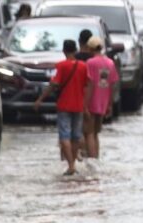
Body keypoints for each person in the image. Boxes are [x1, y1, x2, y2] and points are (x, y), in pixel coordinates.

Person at [34, 39, 88, 175]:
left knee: (64, 136)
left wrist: (40, 99)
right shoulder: (83, 66)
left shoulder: (61, 66)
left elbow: (54, 85)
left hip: (64, 105)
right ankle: (73, 163)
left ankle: (70, 165)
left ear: (64, 51)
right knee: (76, 136)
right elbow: (88, 85)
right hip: (79, 105)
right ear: (75, 50)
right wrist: (86, 104)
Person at [83, 36, 118, 160]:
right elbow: (112, 84)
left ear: (90, 48)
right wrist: (110, 104)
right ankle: (96, 157)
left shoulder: (90, 63)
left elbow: (89, 84)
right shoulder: (110, 63)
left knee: (89, 133)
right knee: (96, 133)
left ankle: (92, 159)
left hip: (92, 100)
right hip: (104, 101)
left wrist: (85, 105)